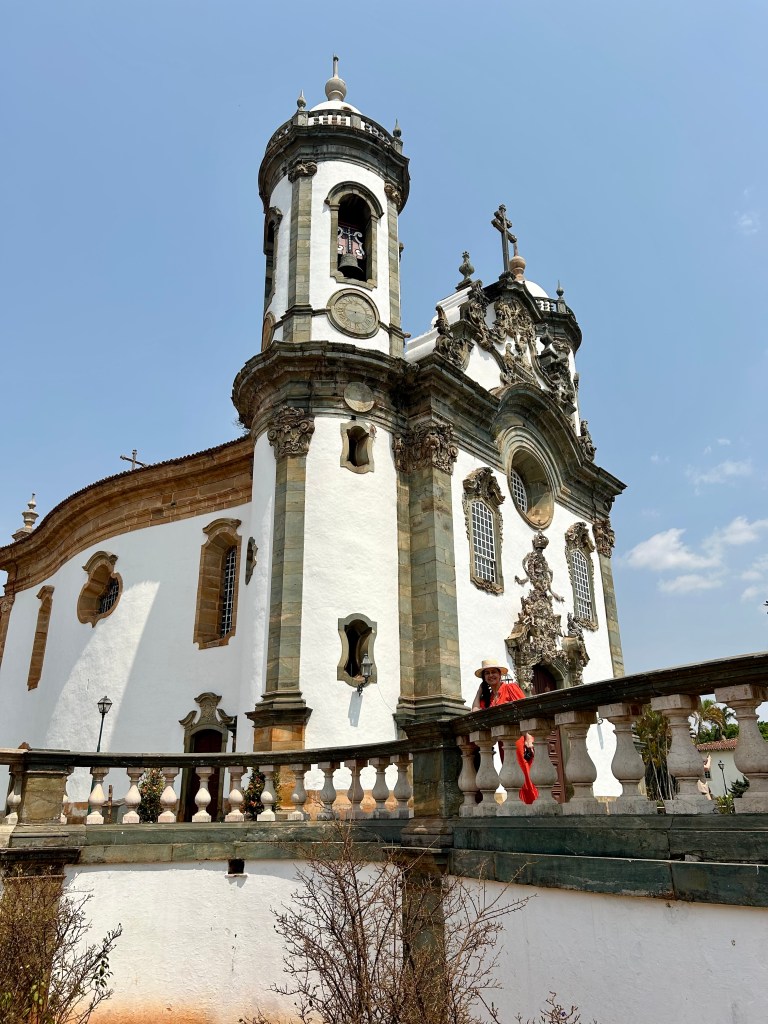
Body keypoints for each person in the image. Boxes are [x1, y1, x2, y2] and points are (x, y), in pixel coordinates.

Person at [471, 658, 537, 804]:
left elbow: (525, 711)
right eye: (487, 673)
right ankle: (520, 805)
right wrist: (479, 691)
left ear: (500, 674)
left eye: (493, 672)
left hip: (518, 738)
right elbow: (475, 712)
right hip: (503, 742)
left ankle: (532, 803)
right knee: (510, 773)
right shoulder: (488, 699)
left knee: (524, 771)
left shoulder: (510, 688)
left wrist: (528, 738)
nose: (491, 675)